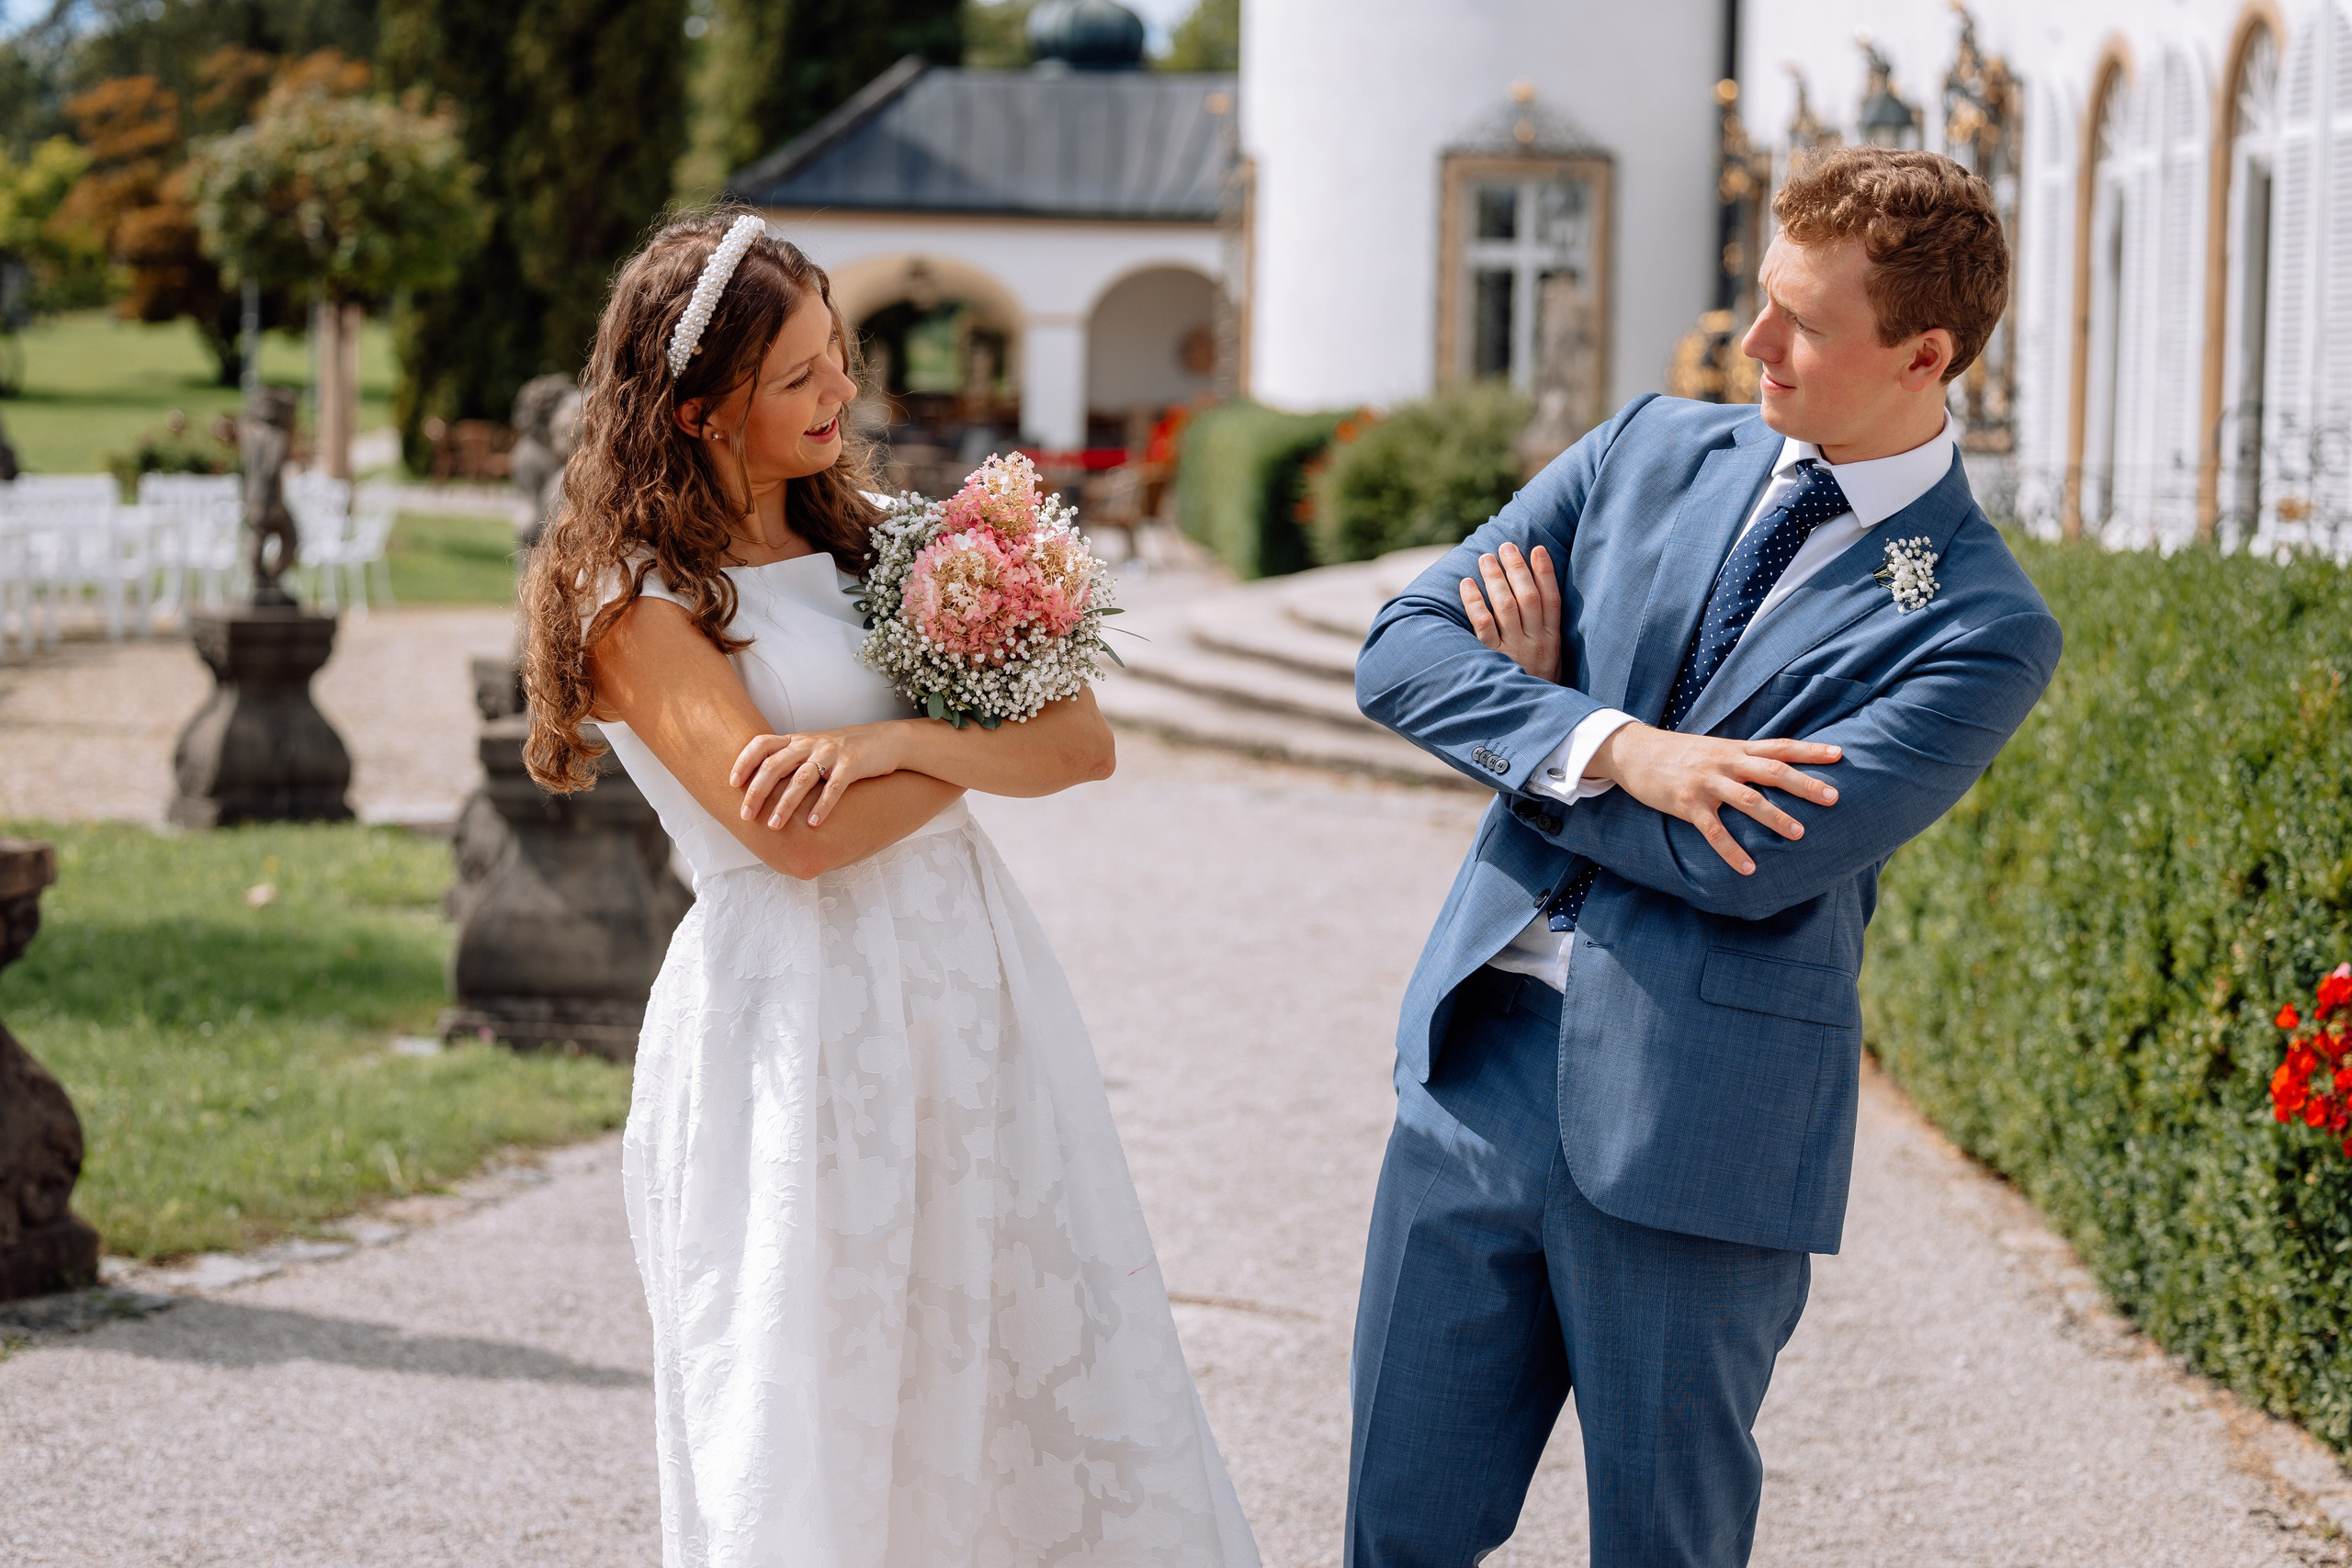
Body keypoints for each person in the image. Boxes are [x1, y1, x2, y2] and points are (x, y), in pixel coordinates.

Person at [1348, 148, 2062, 1566]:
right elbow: (1401, 654)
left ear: (1926, 355)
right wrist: (1619, 747)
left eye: (1803, 320)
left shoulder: (1977, 622)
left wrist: (1534, 739)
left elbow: (1754, 860)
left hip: (1700, 1126)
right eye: (1759, 296)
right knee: (1393, 1534)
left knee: (1664, 1548)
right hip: (1473, 1059)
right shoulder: (1645, 446)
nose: (1753, 342)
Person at [520, 209, 1260, 1568]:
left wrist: (901, 741)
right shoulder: (633, 604)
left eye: (837, 360)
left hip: (971, 985)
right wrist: (973, 753)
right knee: (819, 1382)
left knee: (1017, 1348)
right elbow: (790, 837)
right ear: (696, 412)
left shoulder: (899, 545)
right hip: (790, 1022)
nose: (841, 397)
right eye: (798, 378)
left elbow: (1081, 745)